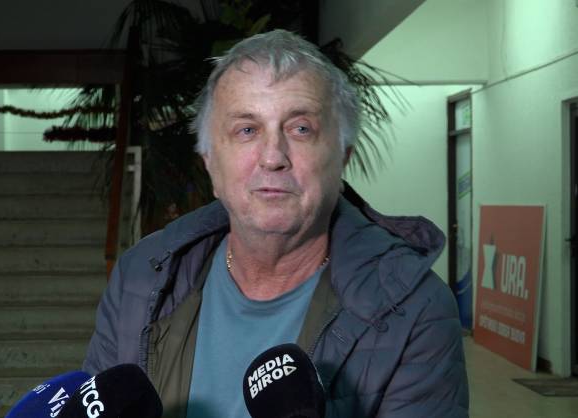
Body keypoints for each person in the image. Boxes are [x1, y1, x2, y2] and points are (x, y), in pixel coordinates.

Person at [83, 29, 469, 418]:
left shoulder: (415, 310)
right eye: (247, 130)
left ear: (343, 158)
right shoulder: (140, 277)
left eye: (301, 128)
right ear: (209, 162)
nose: (272, 157)